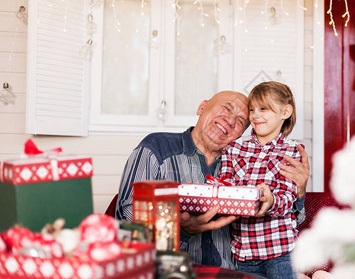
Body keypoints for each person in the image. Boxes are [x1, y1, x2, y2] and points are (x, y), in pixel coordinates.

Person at [115, 90, 310, 270]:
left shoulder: (243, 165)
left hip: (233, 272)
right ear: (202, 107)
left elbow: (293, 221)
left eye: (241, 121)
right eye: (226, 108)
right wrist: (181, 230)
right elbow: (125, 223)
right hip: (170, 270)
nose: (231, 121)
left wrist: (299, 191)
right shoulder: (157, 147)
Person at [219, 82, 301, 279]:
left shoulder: (292, 151)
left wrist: (272, 200)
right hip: (243, 252)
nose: (255, 115)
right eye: (252, 109)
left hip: (281, 251)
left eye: (263, 108)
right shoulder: (234, 148)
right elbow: (225, 185)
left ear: (285, 112)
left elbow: (289, 197)